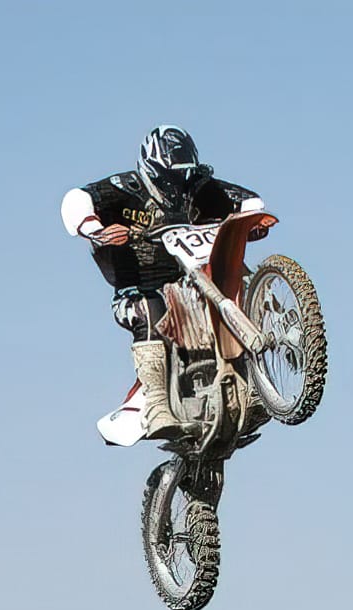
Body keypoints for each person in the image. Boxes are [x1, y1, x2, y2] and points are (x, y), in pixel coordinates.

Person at [61, 125, 267, 441]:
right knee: (147, 307)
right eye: (170, 177)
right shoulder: (126, 187)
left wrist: (253, 220)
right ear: (151, 169)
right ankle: (157, 404)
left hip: (190, 282)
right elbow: (78, 198)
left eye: (183, 175)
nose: (177, 185)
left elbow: (247, 200)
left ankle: (255, 383)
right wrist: (95, 230)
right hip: (140, 288)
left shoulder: (198, 186)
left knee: (236, 278)